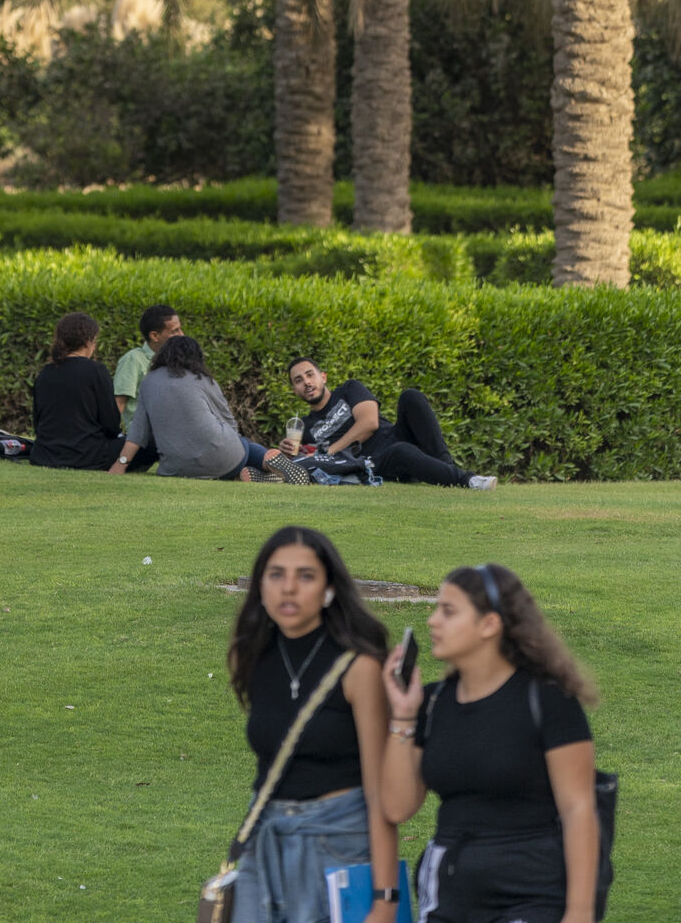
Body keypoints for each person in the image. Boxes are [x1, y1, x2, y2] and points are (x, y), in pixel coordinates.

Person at [382, 561, 600, 923]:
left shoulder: (546, 700)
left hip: (531, 893)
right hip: (448, 893)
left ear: (489, 624)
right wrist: (403, 714)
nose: (433, 620)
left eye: (448, 611)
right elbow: (397, 807)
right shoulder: (432, 703)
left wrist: (579, 913)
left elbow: (579, 810)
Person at [224, 524, 401, 923]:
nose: (288, 588)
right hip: (264, 836)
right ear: (260, 586)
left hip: (337, 841)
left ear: (328, 590)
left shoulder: (359, 667)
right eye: (276, 575)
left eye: (305, 577)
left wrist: (385, 901)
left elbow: (379, 793)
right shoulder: (249, 656)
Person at [283, 358, 498, 490]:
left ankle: (446, 467)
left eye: (310, 375)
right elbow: (309, 462)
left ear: (323, 377)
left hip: (396, 436)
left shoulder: (349, 389)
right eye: (299, 380)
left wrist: (331, 450)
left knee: (410, 396)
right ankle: (468, 481)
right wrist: (289, 452)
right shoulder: (304, 427)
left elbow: (369, 423)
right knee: (400, 451)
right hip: (372, 462)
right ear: (295, 390)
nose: (307, 382)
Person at [112, 332, 269, 480]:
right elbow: (228, 421)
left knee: (240, 446)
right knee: (244, 444)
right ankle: (275, 467)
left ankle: (256, 474)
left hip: (175, 469)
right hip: (226, 462)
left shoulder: (149, 381)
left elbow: (137, 432)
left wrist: (121, 464)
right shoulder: (203, 379)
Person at [29, 310, 123, 470]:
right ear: (88, 341)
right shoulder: (96, 370)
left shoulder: (45, 372)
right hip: (88, 455)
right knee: (143, 442)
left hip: (45, 454)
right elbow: (111, 423)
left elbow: (38, 423)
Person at [113, 302, 182, 424]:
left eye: (180, 329)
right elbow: (119, 403)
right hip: (144, 437)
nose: (182, 335)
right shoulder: (133, 360)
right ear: (154, 336)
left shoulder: (178, 360)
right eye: (175, 331)